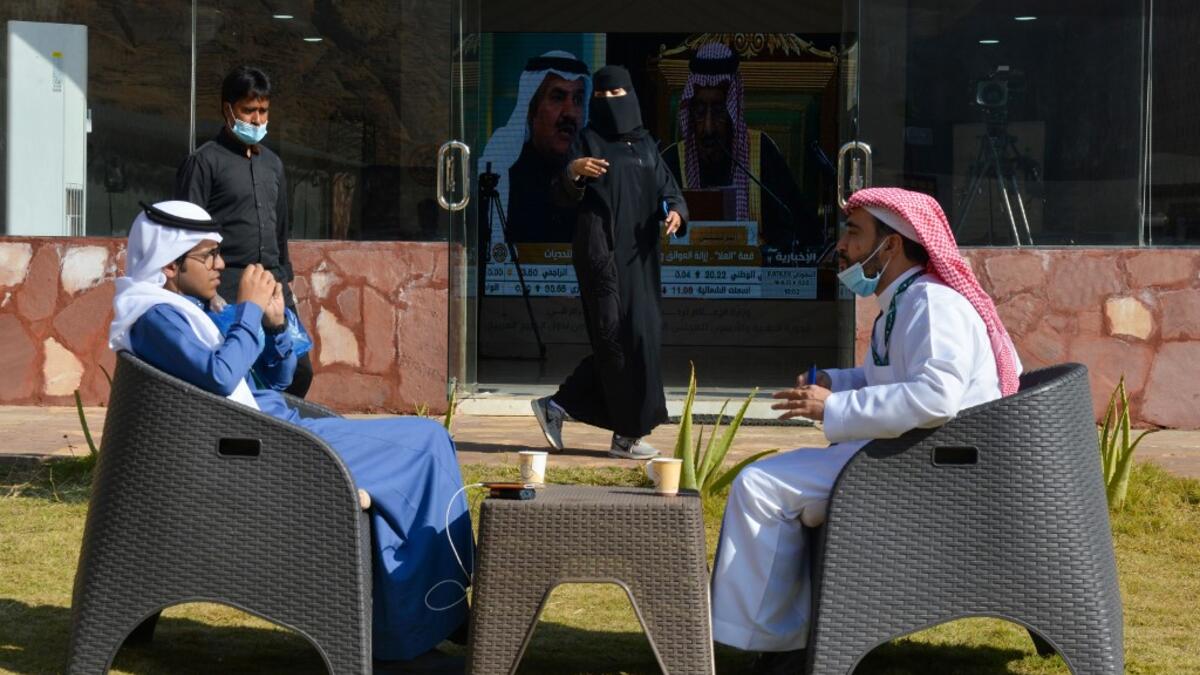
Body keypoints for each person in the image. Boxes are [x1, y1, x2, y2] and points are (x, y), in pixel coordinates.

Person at [109, 200, 474, 672]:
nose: (221, 264)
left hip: (272, 434)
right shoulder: (154, 317)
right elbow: (220, 375)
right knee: (427, 442)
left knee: (424, 447)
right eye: (208, 255)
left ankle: (427, 617)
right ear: (169, 264)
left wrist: (275, 325)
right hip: (266, 451)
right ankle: (431, 618)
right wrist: (247, 310)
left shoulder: (188, 310)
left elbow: (277, 380)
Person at [709, 187, 1023, 674]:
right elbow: (893, 379)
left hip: (928, 470)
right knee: (770, 483)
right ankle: (782, 637)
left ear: (891, 245)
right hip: (910, 455)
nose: (842, 246)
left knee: (760, 486)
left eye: (854, 233)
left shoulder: (932, 305)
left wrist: (835, 407)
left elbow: (935, 396)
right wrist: (838, 383)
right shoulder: (904, 302)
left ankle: (779, 645)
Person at [530, 65, 689, 460]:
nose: (609, 103)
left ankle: (564, 407)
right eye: (601, 97)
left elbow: (669, 189)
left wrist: (676, 212)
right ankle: (624, 434)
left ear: (630, 96)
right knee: (614, 341)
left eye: (616, 95)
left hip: (640, 257)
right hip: (600, 254)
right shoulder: (587, 140)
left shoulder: (646, 145)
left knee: (641, 338)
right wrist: (573, 171)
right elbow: (559, 194)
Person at [175, 65, 313, 398]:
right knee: (242, 373)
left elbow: (280, 228)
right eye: (249, 110)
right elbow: (185, 231)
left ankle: (279, 426)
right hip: (226, 285)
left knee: (298, 371)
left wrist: (284, 281)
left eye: (263, 111)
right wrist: (204, 293)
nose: (257, 119)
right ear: (228, 110)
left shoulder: (273, 165)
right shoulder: (204, 162)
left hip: (272, 283)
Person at [665, 42, 823, 249]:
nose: (708, 128)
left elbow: (797, 229)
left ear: (733, 111)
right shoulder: (672, 161)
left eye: (719, 111)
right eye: (700, 111)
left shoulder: (762, 153)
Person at [477, 51, 591, 244]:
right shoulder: (505, 171)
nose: (570, 113)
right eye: (558, 98)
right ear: (531, 109)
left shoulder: (591, 174)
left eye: (578, 100)